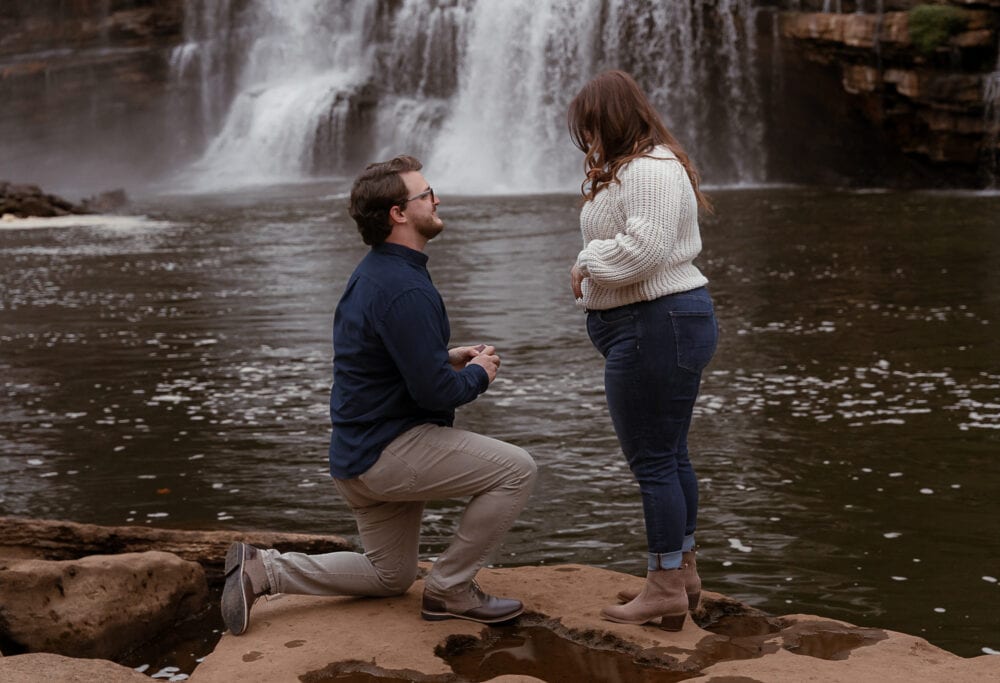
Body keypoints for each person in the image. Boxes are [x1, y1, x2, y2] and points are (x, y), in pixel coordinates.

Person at [221, 155, 537, 635]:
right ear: (398, 213)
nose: (437, 199)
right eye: (426, 194)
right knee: (517, 469)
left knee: (391, 575)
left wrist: (444, 355)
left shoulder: (374, 274)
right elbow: (435, 394)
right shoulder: (405, 289)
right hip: (388, 452)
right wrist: (479, 374)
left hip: (355, 455)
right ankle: (451, 589)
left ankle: (264, 569)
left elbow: (381, 361)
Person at [567, 70, 719, 631]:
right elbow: (631, 245)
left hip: (654, 324)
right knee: (670, 455)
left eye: (589, 128)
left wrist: (587, 264)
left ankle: (662, 586)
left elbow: (645, 250)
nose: (586, 140)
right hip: (657, 323)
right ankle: (682, 574)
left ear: (610, 119)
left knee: (653, 461)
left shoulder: (650, 170)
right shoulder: (640, 168)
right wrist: (589, 265)